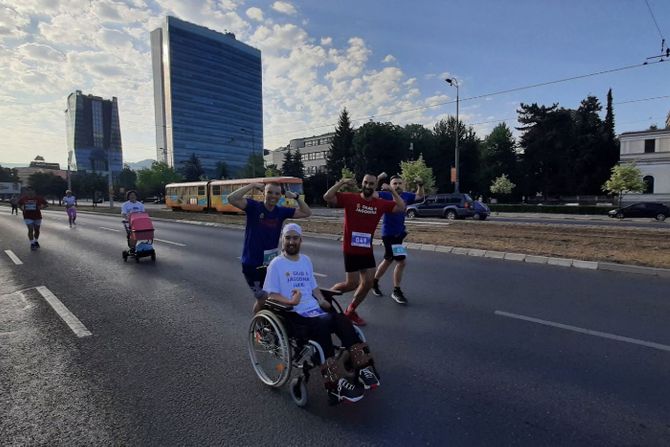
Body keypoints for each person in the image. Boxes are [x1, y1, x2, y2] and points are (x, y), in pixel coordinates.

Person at [263, 223, 380, 403]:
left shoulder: (306, 260)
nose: (291, 241)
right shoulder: (276, 264)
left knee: (342, 319)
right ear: (282, 240)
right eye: (288, 238)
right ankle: (335, 384)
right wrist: (290, 301)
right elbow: (271, 294)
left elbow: (313, 286)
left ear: (301, 240)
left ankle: (363, 367)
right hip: (294, 314)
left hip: (314, 310)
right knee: (324, 323)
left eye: (295, 238)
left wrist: (321, 299)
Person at [323, 174, 405, 326]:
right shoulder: (351, 198)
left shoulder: (379, 203)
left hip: (366, 249)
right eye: (365, 182)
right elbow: (327, 197)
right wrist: (341, 182)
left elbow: (401, 207)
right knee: (351, 284)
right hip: (351, 249)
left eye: (371, 184)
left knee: (367, 283)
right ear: (362, 183)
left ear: (375, 186)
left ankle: (351, 311)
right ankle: (326, 295)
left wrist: (392, 191)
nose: (368, 186)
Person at [228, 181, 312, 313]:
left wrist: (296, 197)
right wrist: (252, 185)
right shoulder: (254, 207)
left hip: (270, 264)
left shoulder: (281, 211)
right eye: (270, 192)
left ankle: (270, 323)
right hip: (252, 264)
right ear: (264, 193)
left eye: (277, 193)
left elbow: (306, 212)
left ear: (280, 196)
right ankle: (257, 326)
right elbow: (231, 198)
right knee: (262, 298)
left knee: (276, 297)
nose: (273, 196)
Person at [371, 174, 424, 304]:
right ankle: (396, 291)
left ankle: (374, 282)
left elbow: (419, 196)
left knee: (388, 260)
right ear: (391, 184)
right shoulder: (386, 194)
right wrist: (378, 180)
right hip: (389, 234)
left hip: (398, 235)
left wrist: (420, 185)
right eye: (395, 183)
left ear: (403, 184)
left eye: (400, 183)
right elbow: (371, 194)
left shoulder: (406, 195)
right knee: (401, 262)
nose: (397, 186)